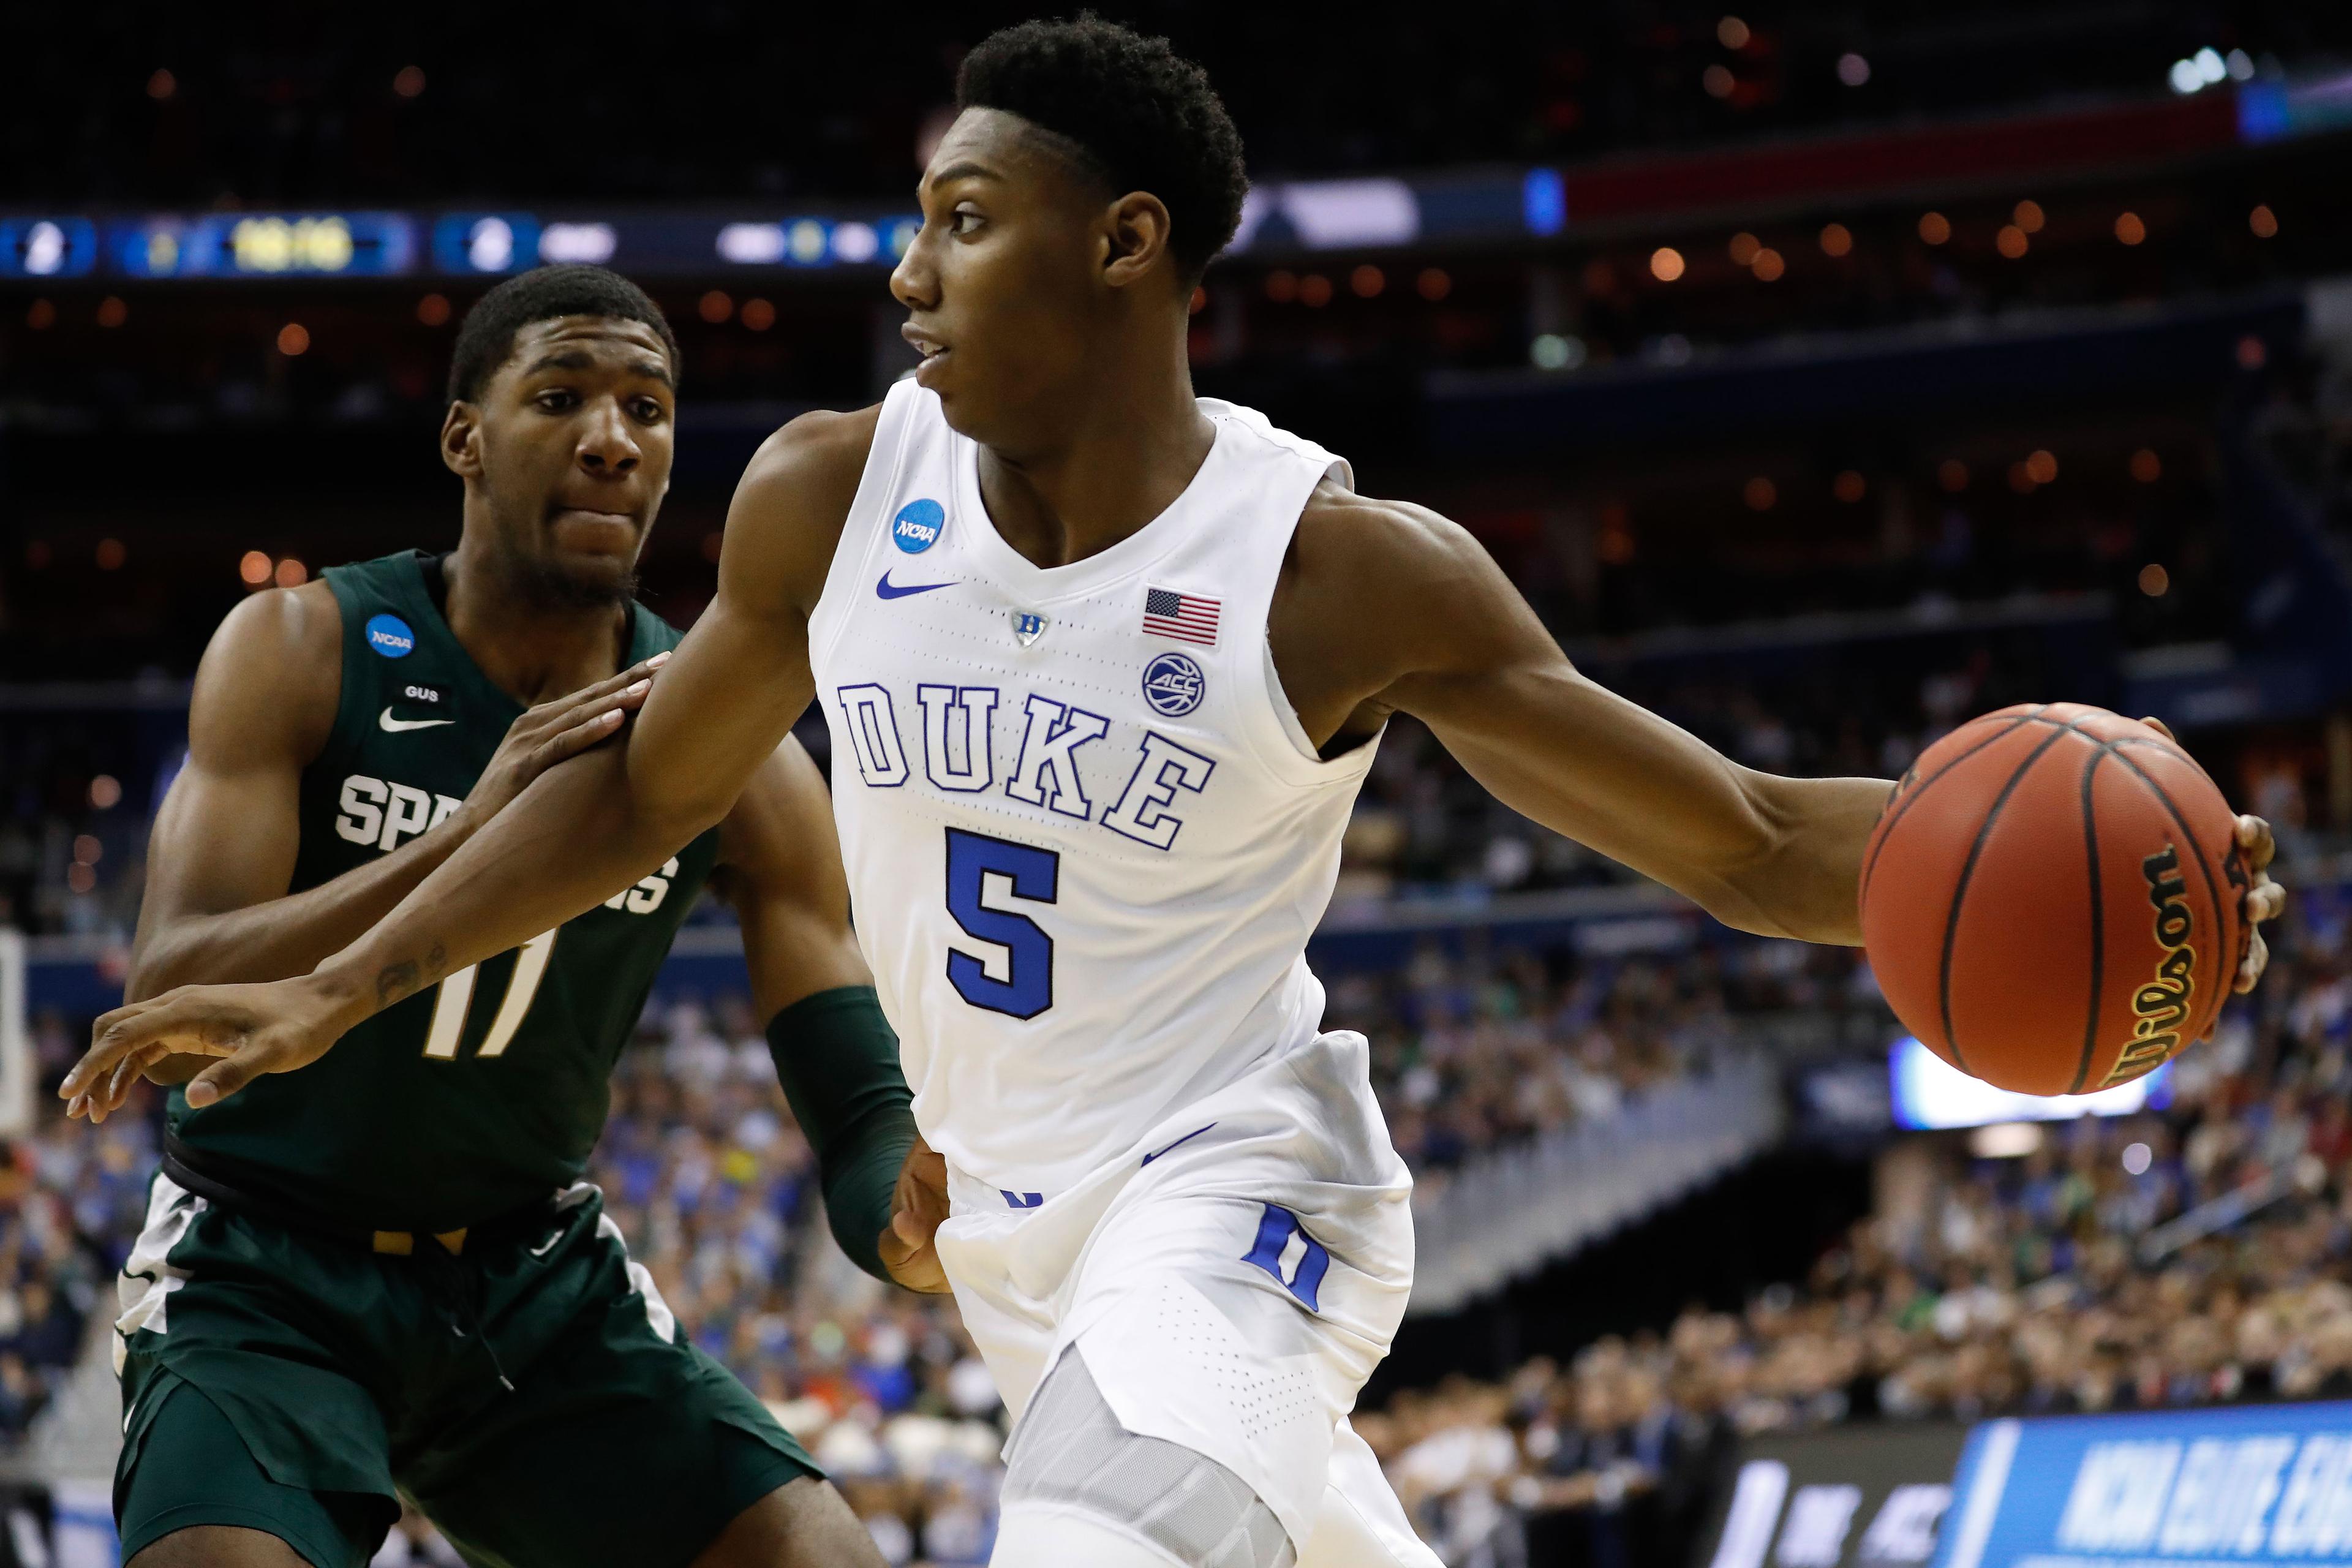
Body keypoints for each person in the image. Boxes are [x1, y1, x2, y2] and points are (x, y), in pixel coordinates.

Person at [69, 20, 2285, 1568]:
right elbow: (641, 793)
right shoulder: (835, 493)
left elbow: (1739, 836)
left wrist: (2127, 888)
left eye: (962, 220)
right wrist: (342, 977)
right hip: (1027, 1260)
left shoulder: (1339, 570)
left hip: (1246, 1202)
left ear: (1124, 246)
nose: (908, 272)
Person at [68, 266, 935, 1568]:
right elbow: (174, 991)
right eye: (562, 395)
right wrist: (469, 831)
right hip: (264, 1267)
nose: (612, 435)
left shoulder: (727, 740)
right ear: (464, 437)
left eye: (648, 406)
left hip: (530, 1276)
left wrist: (899, 1213)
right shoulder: (303, 642)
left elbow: (853, 1085)